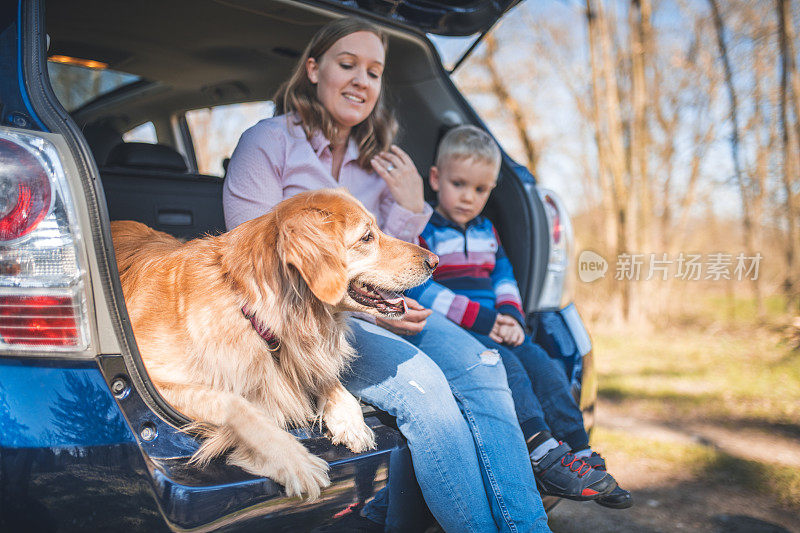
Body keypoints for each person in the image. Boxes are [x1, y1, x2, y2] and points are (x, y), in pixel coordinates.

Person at [222, 17, 552, 533]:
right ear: (313, 70)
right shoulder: (267, 143)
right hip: (304, 323)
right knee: (424, 390)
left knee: (485, 366)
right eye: (347, 64)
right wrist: (373, 307)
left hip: (373, 309)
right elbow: (253, 265)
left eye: (373, 72)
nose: (361, 80)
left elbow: (389, 262)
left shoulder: (380, 164)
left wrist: (409, 205)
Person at [406, 125, 632, 509]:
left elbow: (503, 276)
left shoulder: (487, 231)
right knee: (506, 366)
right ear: (435, 178)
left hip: (498, 323)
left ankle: (580, 452)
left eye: (480, 190)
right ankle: (540, 449)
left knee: (543, 366)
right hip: (459, 331)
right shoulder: (424, 230)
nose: (468, 197)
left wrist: (510, 315)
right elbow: (421, 287)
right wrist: (483, 319)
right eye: (459, 184)